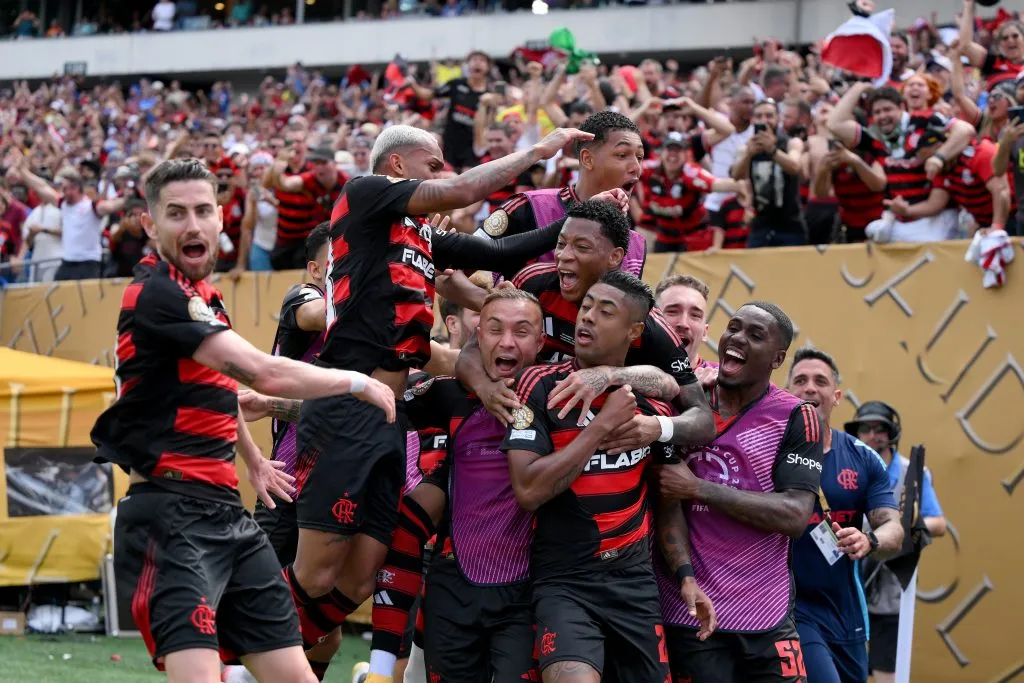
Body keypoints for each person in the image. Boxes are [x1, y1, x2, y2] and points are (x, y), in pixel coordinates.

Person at [282, 123, 596, 679]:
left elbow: (499, 250)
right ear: (399, 167)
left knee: (357, 580)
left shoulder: (420, 235)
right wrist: (540, 151)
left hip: (388, 415)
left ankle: (250, 649)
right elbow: (460, 192)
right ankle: (237, 655)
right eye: (434, 165)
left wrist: (580, 218)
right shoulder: (363, 192)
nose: (443, 174)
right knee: (314, 574)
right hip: (346, 403)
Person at [90, 159, 394, 683]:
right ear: (150, 225)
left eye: (203, 210)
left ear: (221, 220)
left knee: (296, 677)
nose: (192, 224)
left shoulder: (204, 297)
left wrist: (253, 461)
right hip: (170, 515)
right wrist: (358, 381)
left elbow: (228, 392)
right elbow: (261, 372)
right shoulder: (158, 293)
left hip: (227, 515)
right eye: (176, 212)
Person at [501, 272, 698, 683]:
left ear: (635, 331)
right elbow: (529, 490)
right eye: (586, 306)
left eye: (604, 311)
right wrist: (600, 428)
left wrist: (685, 575)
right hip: (565, 581)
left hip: (634, 583)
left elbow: (667, 498)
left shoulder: (651, 407)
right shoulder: (539, 384)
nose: (587, 317)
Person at [656, 302, 826, 683]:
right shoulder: (682, 407)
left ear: (778, 358)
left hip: (766, 613)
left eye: (755, 335)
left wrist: (698, 487)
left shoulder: (797, 416)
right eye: (734, 328)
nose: (737, 338)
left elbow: (795, 516)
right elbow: (667, 502)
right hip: (691, 613)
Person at [409, 288, 548, 683]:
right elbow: (371, 407)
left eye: (521, 332)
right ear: (477, 337)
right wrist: (272, 404)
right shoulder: (447, 395)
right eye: (494, 329)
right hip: (452, 586)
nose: (507, 342)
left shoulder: (560, 396)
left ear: (540, 342)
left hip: (528, 592)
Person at [786, 348, 904, 683]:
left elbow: (892, 527)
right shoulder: (768, 453)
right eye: (801, 380)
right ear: (786, 393)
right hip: (791, 609)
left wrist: (869, 540)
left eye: (820, 381)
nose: (810, 388)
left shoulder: (863, 458)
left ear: (836, 396)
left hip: (846, 612)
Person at [842, 401, 947, 683]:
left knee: (887, 673)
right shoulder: (846, 467)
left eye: (880, 429)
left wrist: (904, 527)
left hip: (890, 589)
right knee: (847, 670)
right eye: (866, 428)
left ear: (892, 434)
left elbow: (939, 524)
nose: (873, 435)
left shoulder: (912, 473)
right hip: (847, 586)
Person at [481, 111, 647, 277]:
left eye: (639, 157)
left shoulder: (637, 245)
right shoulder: (529, 208)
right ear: (588, 159)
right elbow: (461, 263)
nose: (636, 168)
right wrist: (496, 301)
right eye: (622, 155)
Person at [8, 156, 127, 281]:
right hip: (67, 262)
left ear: (76, 188)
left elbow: (108, 206)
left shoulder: (90, 206)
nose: (63, 192)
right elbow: (41, 187)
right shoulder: (64, 204)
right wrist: (23, 171)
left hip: (88, 262)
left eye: (65, 189)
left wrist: (125, 199)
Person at [634, 131, 747, 252]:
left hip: (693, 236)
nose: (673, 155)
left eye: (677, 150)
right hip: (664, 236)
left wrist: (743, 185)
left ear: (686, 154)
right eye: (669, 149)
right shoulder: (650, 169)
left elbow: (717, 184)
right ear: (661, 153)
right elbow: (623, 171)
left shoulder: (691, 173)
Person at [731, 98, 807, 247]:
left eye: (769, 115)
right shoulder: (746, 148)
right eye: (759, 116)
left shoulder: (791, 142)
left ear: (778, 118)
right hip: (761, 225)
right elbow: (736, 175)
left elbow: (794, 166)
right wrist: (748, 155)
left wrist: (772, 150)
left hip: (790, 225)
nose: (764, 120)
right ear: (753, 120)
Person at [265, 145, 349, 270]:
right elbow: (287, 184)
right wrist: (277, 171)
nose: (319, 167)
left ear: (334, 164)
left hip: (342, 235)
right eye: (316, 163)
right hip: (320, 232)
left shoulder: (347, 183)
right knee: (278, 259)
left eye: (324, 163)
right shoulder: (311, 179)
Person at [654, 274, 718, 388]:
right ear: (650, 321)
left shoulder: (721, 381)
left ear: (704, 332)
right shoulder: (624, 377)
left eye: (695, 315)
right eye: (672, 311)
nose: (683, 323)